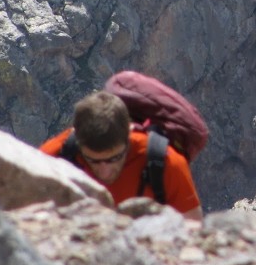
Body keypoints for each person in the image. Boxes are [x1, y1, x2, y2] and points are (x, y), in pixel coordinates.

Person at [40, 90, 203, 222]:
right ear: (79, 144)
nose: (105, 172)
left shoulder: (164, 162)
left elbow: (193, 230)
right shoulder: (54, 157)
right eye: (93, 161)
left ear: (129, 137)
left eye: (114, 158)